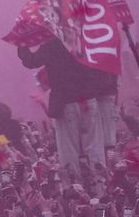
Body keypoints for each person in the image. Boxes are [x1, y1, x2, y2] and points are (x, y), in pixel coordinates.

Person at [17, 38, 116, 177]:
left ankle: (76, 190)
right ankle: (101, 186)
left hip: (66, 103)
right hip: (88, 101)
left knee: (69, 150)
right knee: (94, 148)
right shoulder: (84, 36)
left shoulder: (52, 43)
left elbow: (31, 61)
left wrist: (21, 41)